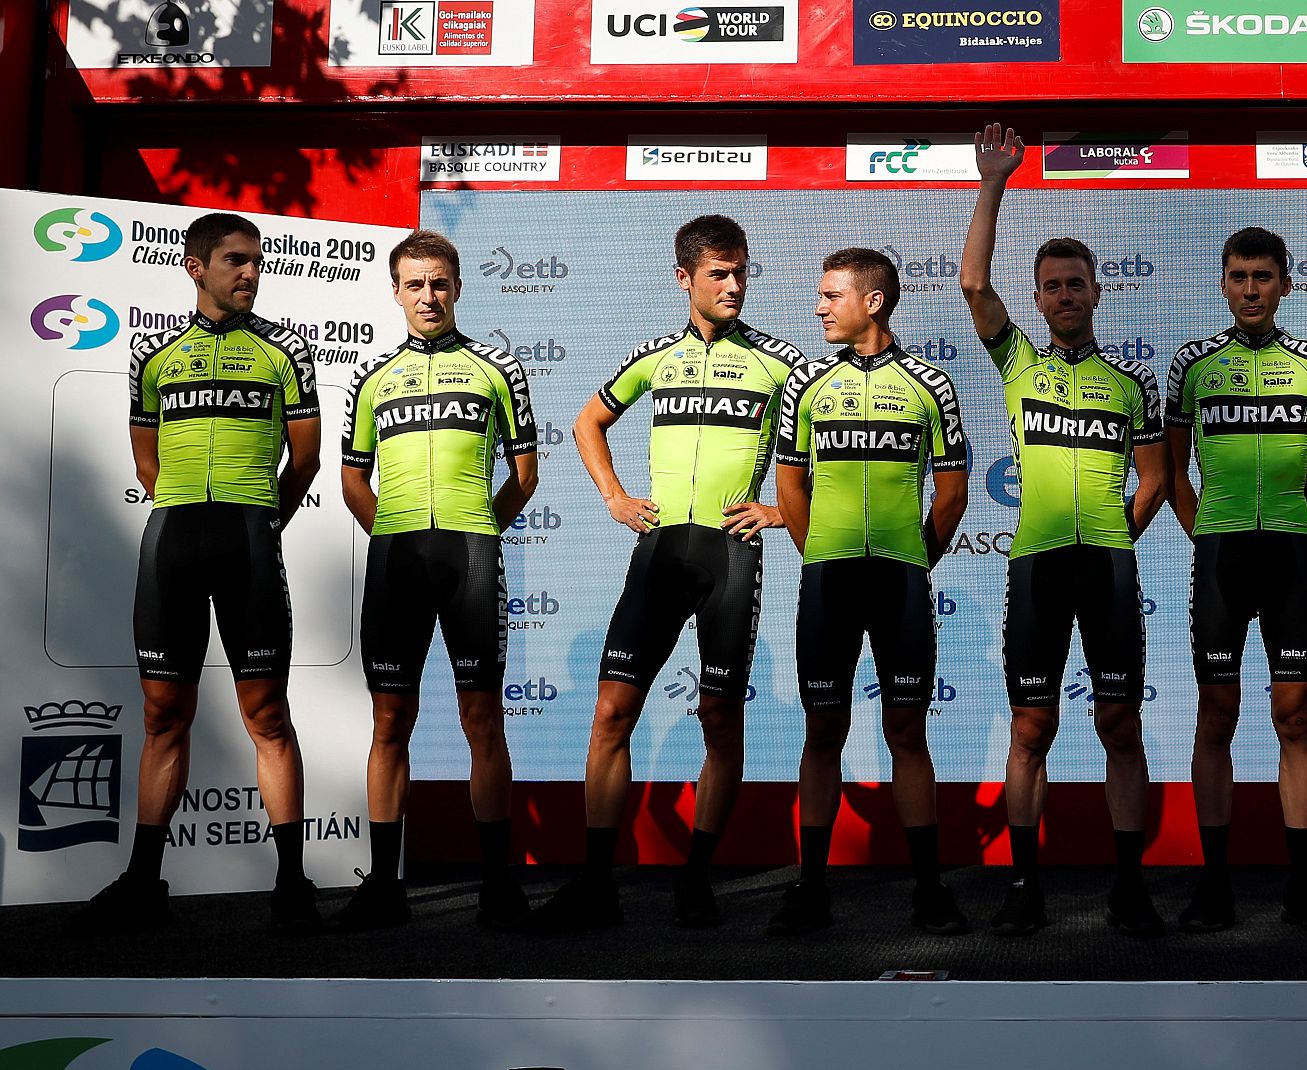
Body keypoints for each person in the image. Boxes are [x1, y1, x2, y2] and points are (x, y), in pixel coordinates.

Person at [529, 215, 804, 931]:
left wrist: (780, 512)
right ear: (684, 278)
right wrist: (614, 498)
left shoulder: (782, 362)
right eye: (719, 273)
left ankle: (697, 878)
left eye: (742, 271)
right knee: (610, 714)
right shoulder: (656, 357)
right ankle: (595, 883)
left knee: (719, 717)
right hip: (657, 553)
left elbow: (833, 450)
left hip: (728, 557)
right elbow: (586, 422)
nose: (735, 285)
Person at [68, 212, 322, 936]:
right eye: (236, 260)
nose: (250, 273)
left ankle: (292, 883)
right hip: (173, 538)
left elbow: (303, 460)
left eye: (257, 261)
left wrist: (261, 516)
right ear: (195, 267)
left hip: (247, 534)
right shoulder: (153, 353)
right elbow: (144, 458)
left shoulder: (285, 350)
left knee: (267, 715)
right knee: (161, 715)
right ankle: (144, 881)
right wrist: (183, 506)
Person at [959, 123, 1169, 938]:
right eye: (1052, 286)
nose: (1065, 295)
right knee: (1030, 726)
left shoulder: (1131, 382)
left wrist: (1118, 534)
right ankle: (1022, 885)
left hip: (1108, 570)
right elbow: (975, 285)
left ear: (1095, 293)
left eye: (1076, 283)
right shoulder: (1018, 362)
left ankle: (1130, 884)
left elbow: (1154, 479)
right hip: (1036, 568)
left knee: (1120, 724)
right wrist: (994, 182)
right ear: (1040, 299)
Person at [333, 230, 539, 931]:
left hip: (471, 555)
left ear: (457, 287)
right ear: (395, 291)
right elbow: (353, 478)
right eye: (415, 284)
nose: (428, 295)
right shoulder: (374, 376)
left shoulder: (497, 367)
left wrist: (479, 530)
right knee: (390, 721)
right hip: (396, 560)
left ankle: (495, 882)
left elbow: (524, 476)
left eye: (440, 283)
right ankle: (384, 884)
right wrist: (391, 535)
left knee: (483, 719)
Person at [766, 247, 970, 936]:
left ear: (873, 301)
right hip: (827, 578)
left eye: (832, 296)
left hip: (900, 580)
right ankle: (811, 887)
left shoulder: (930, 384)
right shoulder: (805, 384)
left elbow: (952, 491)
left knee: (907, 730)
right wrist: (818, 553)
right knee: (822, 728)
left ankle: (928, 888)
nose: (820, 308)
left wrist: (916, 561)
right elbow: (789, 486)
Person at [1166, 226, 1307, 934]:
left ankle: (1302, 885)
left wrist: (1290, 524)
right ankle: (1215, 886)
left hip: (1289, 558)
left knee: (1295, 718)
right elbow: (1175, 472)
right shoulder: (1192, 364)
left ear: (1284, 285)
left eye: (1263, 277)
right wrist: (1208, 534)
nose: (1249, 289)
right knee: (1217, 717)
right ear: (1222, 283)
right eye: (1238, 276)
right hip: (1220, 558)